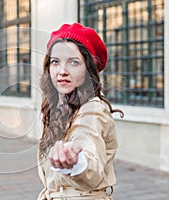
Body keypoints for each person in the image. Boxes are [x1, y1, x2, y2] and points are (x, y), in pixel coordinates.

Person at [37, 22, 124, 200]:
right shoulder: (61, 108)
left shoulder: (93, 109)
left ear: (88, 69)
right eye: (55, 62)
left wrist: (77, 161)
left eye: (74, 62)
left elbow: (88, 147)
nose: (62, 71)